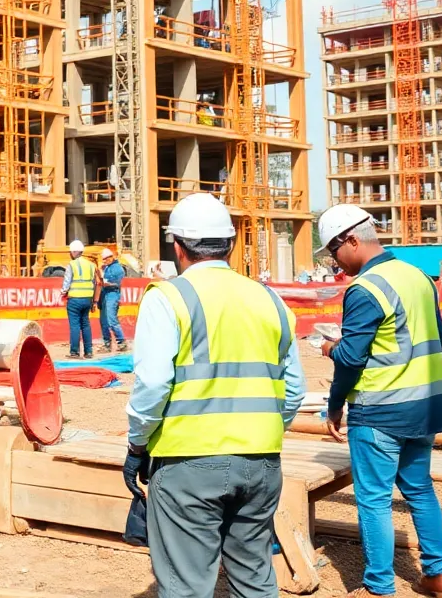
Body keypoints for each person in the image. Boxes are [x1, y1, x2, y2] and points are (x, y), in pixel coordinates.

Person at [124, 193, 305, 598]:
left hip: (187, 463)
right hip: (261, 462)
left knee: (186, 586)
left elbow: (154, 384)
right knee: (255, 579)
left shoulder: (168, 298)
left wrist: (137, 443)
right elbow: (294, 390)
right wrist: (260, 431)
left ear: (177, 247)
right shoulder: (270, 299)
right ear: (232, 244)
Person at [316, 205, 442, 598]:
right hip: (425, 406)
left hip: (380, 410)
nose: (334, 261)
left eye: (334, 250)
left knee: (374, 500)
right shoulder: (418, 278)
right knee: (420, 490)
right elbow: (440, 340)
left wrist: (332, 374)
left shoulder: (365, 288)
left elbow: (350, 358)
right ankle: (439, 577)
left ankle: (379, 586)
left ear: (351, 240)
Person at [60, 239, 98, 359]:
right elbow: (95, 283)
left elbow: (67, 282)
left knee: (75, 325)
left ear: (74, 252)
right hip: (87, 299)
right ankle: (89, 351)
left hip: (74, 299)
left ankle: (74, 352)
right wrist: (94, 301)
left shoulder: (72, 265)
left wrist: (62, 293)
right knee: (85, 324)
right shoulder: (91, 265)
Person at [99, 248, 127, 353]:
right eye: (103, 259)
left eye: (106, 259)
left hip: (112, 294)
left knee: (111, 319)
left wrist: (107, 283)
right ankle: (107, 343)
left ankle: (121, 342)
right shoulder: (107, 268)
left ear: (111, 257)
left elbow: (117, 283)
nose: (104, 261)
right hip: (105, 294)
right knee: (104, 321)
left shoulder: (118, 269)